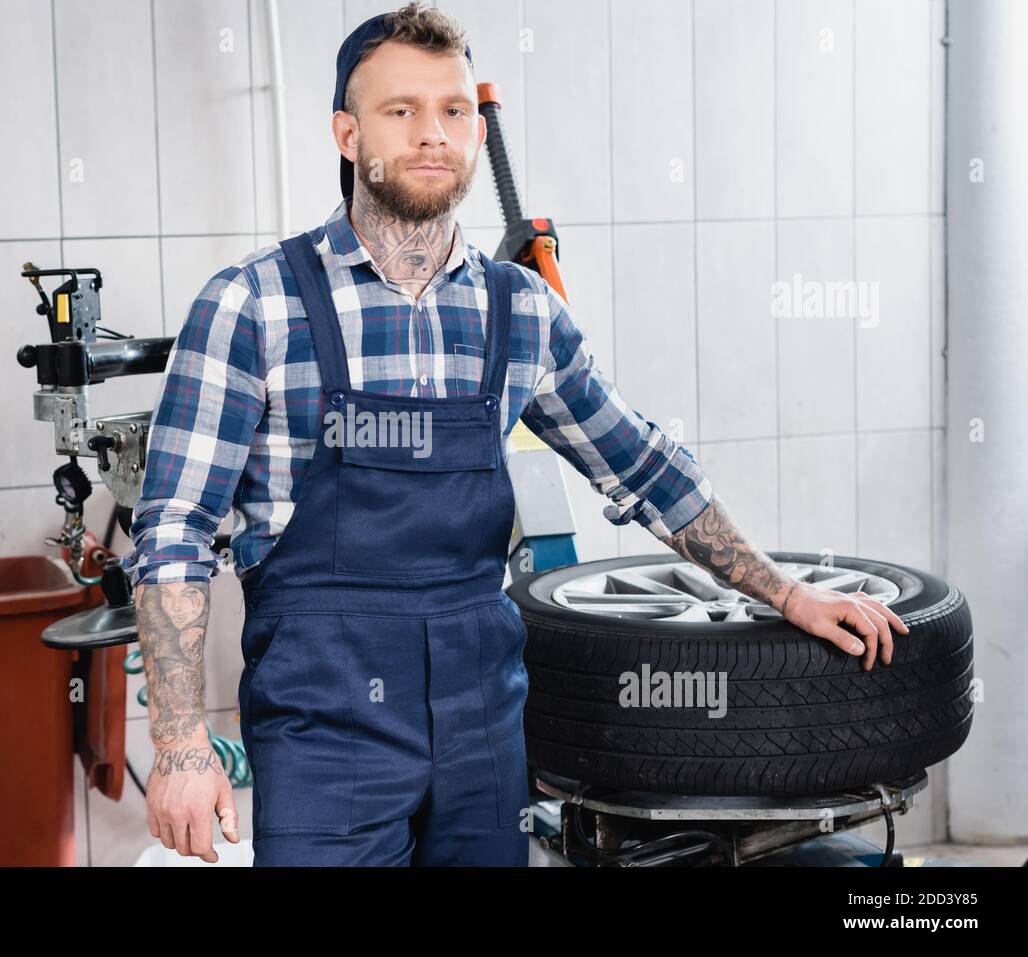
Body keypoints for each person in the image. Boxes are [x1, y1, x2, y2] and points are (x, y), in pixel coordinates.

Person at [120, 2, 907, 867]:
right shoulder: (252, 305)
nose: (433, 134)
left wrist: (788, 594)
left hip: (483, 735)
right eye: (401, 110)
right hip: (324, 733)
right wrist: (185, 744)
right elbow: (174, 536)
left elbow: (644, 466)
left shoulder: (520, 311)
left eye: (455, 110)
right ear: (347, 134)